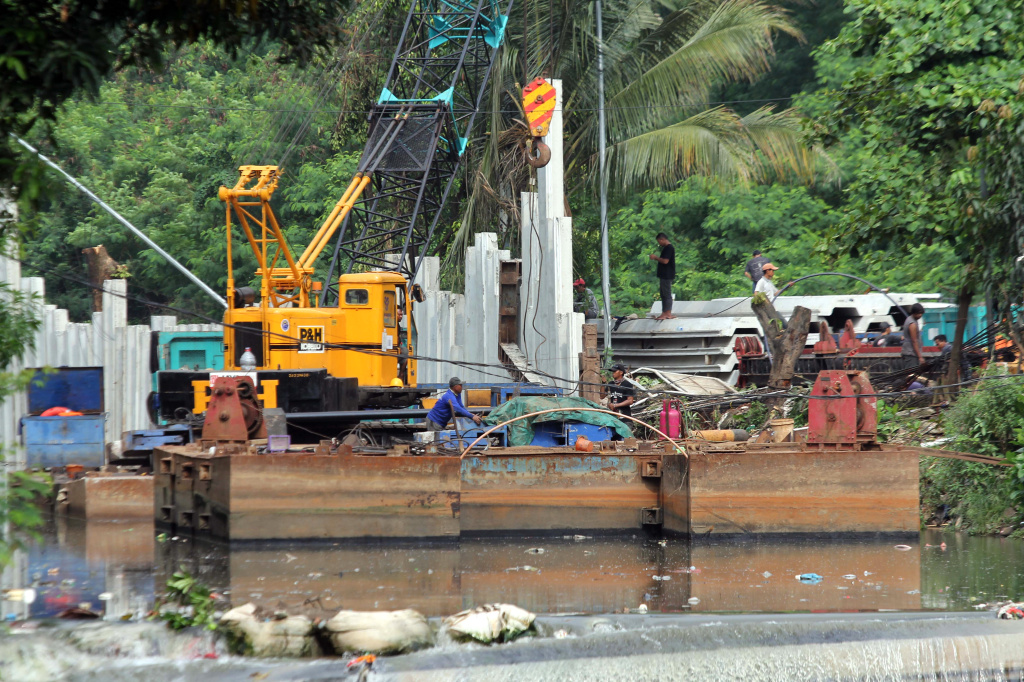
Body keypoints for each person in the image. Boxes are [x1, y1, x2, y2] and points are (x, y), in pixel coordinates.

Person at [648, 233, 676, 320]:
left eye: (659, 241)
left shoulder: (669, 248)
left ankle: (667, 313)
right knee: (663, 293)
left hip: (667, 274)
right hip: (664, 274)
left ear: (662, 239)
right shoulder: (666, 248)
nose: (659, 244)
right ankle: (665, 312)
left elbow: (665, 261)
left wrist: (655, 257)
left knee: (666, 293)